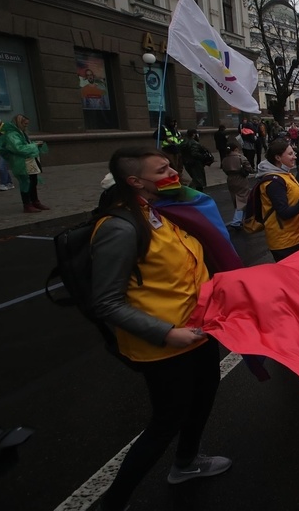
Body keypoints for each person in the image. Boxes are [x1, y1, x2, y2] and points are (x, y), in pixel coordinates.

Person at [91, 147, 234, 511]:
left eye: (170, 165)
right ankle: (114, 503)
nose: (173, 172)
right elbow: (106, 302)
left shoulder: (163, 209)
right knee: (167, 421)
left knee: (202, 400)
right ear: (135, 181)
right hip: (165, 346)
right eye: (162, 170)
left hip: (199, 334)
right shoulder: (120, 227)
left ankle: (186, 463)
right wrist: (167, 333)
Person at [256, 139, 299, 261]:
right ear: (278, 158)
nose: (295, 156)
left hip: (298, 236)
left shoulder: (285, 174)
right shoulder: (274, 182)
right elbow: (284, 213)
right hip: (287, 243)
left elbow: (295, 199)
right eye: (290, 154)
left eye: (293, 153)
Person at [0, 114, 48, 213]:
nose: (26, 126)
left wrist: (34, 144)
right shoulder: (12, 134)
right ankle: (27, 204)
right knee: (26, 183)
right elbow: (18, 148)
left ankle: (35, 201)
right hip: (21, 162)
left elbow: (24, 145)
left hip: (28, 161)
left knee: (33, 182)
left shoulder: (21, 133)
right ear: (19, 123)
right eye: (25, 124)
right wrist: (34, 145)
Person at [221, 142, 253, 228]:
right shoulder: (240, 157)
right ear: (235, 149)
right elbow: (249, 168)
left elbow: (224, 169)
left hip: (230, 179)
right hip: (240, 179)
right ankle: (237, 220)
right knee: (243, 199)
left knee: (236, 198)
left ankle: (244, 218)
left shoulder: (225, 159)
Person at [0, 112, 15, 191]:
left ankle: (3, 183)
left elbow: (11, 136)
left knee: (1, 166)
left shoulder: (5, 126)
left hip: (4, 150)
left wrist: (0, 134)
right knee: (2, 167)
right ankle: (9, 183)